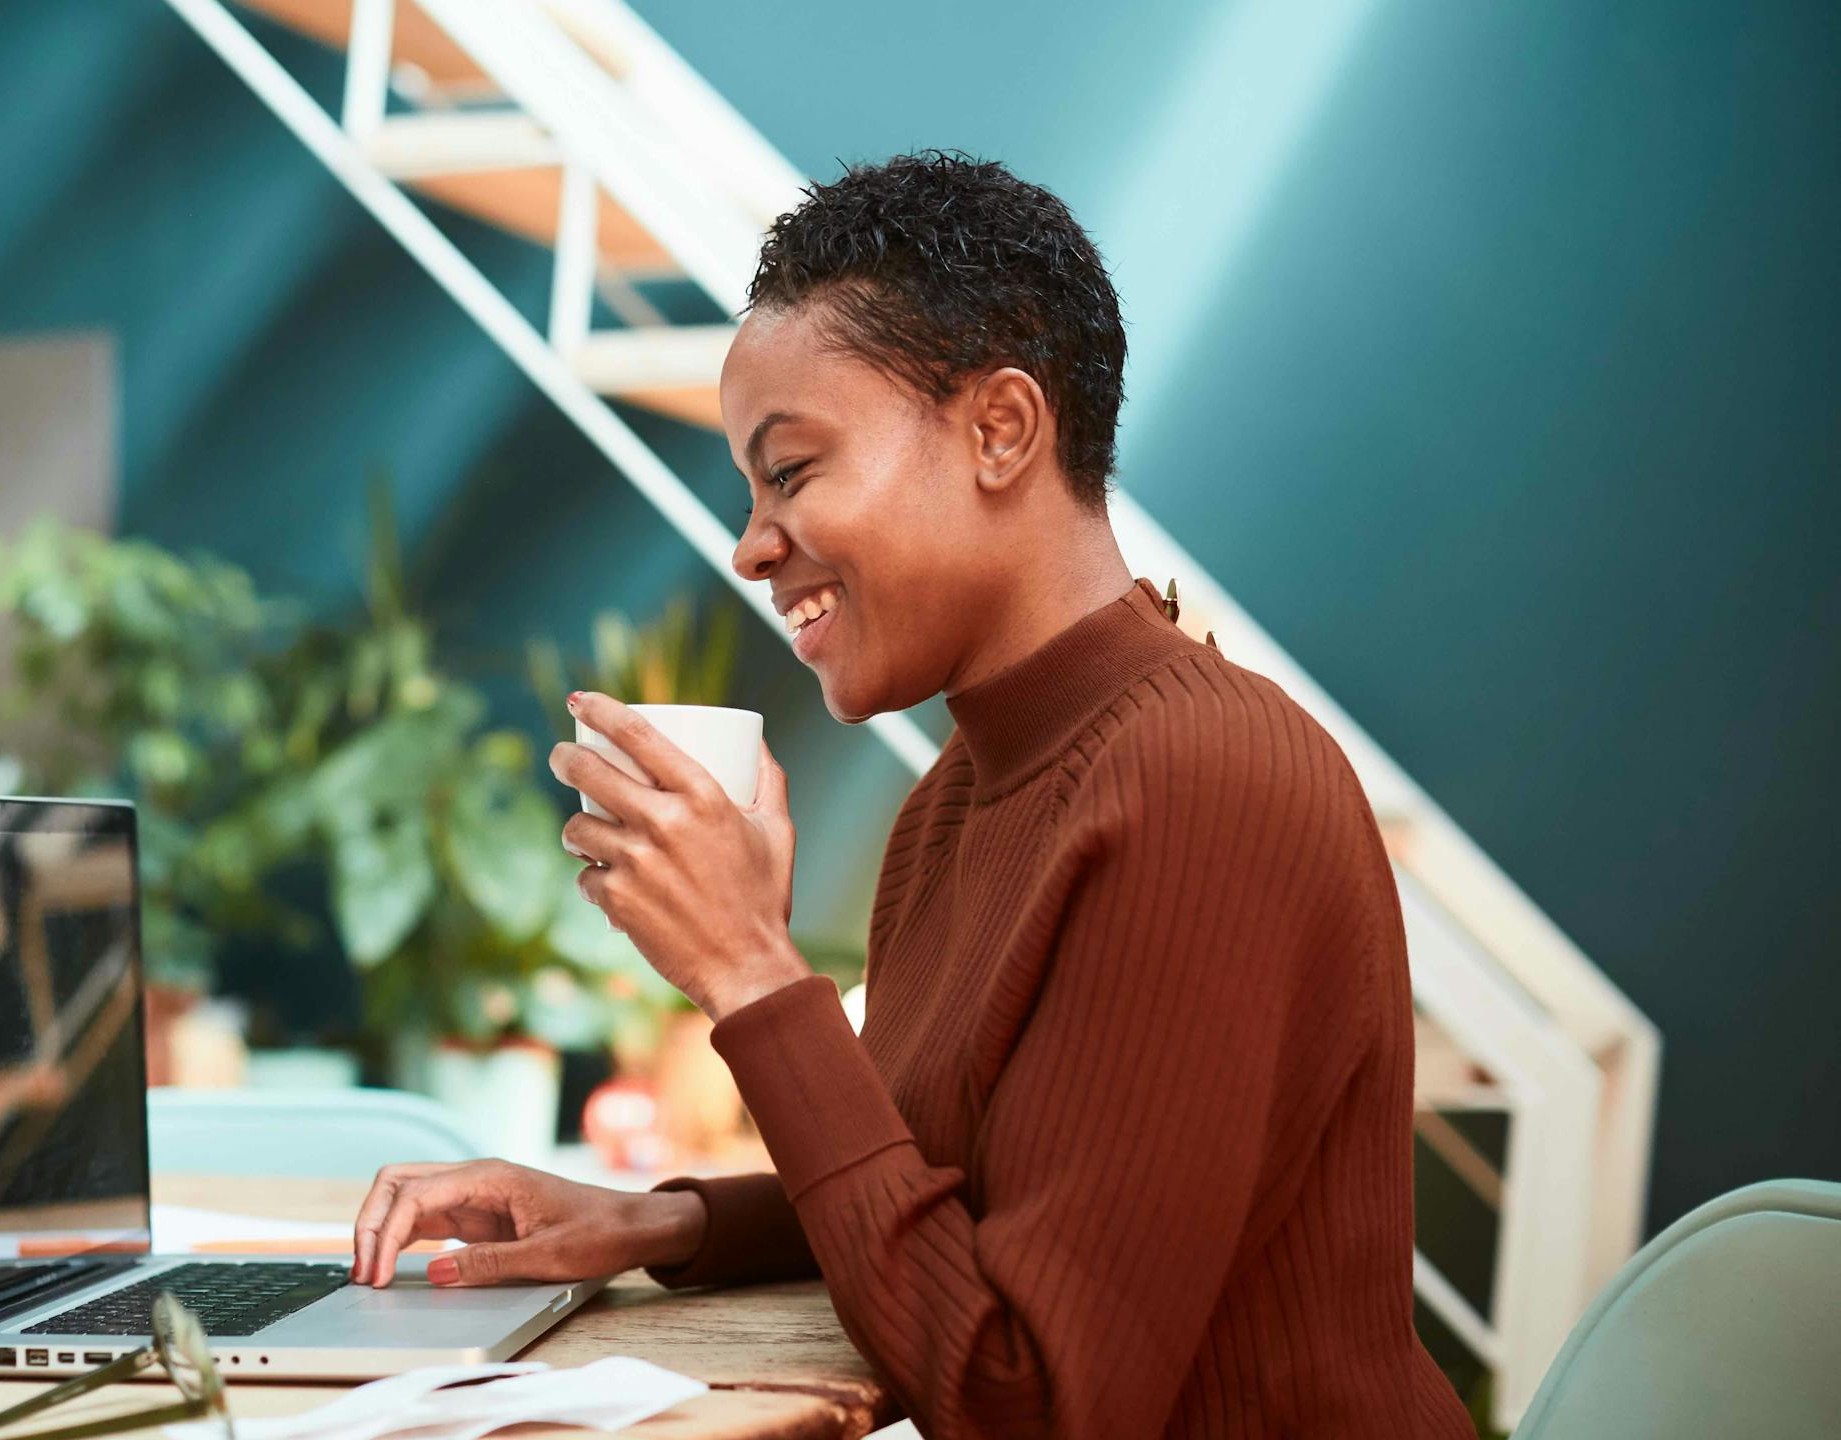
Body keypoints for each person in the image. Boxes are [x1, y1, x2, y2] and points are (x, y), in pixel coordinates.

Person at [348, 151, 1474, 1439]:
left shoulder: (1202, 781)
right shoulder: (956, 798)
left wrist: (751, 971)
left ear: (1000, 429)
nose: (752, 543)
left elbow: (1036, 1402)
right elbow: (956, 1202)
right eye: (749, 488)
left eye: (794, 469)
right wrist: (659, 1222)